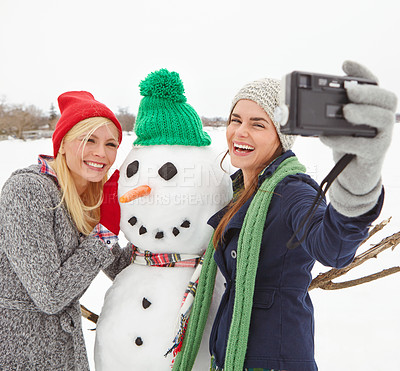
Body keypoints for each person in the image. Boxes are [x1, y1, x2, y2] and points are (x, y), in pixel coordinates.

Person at [172, 61, 398, 371]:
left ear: (282, 136)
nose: (240, 131)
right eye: (235, 119)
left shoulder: (292, 191)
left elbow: (332, 246)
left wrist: (360, 177)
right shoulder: (239, 193)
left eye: (258, 124)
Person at [0, 91, 132, 370]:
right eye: (88, 140)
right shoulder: (28, 190)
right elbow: (51, 295)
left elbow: (121, 268)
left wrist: (151, 226)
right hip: (21, 354)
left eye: (111, 144)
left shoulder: (89, 197)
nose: (101, 153)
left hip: (63, 352)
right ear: (62, 144)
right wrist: (105, 231)